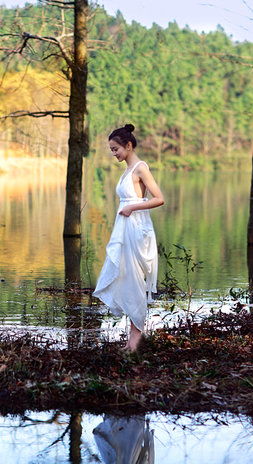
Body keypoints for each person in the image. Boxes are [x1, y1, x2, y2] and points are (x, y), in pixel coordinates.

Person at [92, 124, 164, 352]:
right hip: (124, 227)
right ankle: (131, 339)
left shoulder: (141, 168)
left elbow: (159, 198)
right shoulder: (126, 170)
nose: (114, 154)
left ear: (129, 145)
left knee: (134, 280)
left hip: (136, 227)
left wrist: (132, 207)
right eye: (111, 150)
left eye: (116, 149)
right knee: (124, 277)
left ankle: (135, 340)